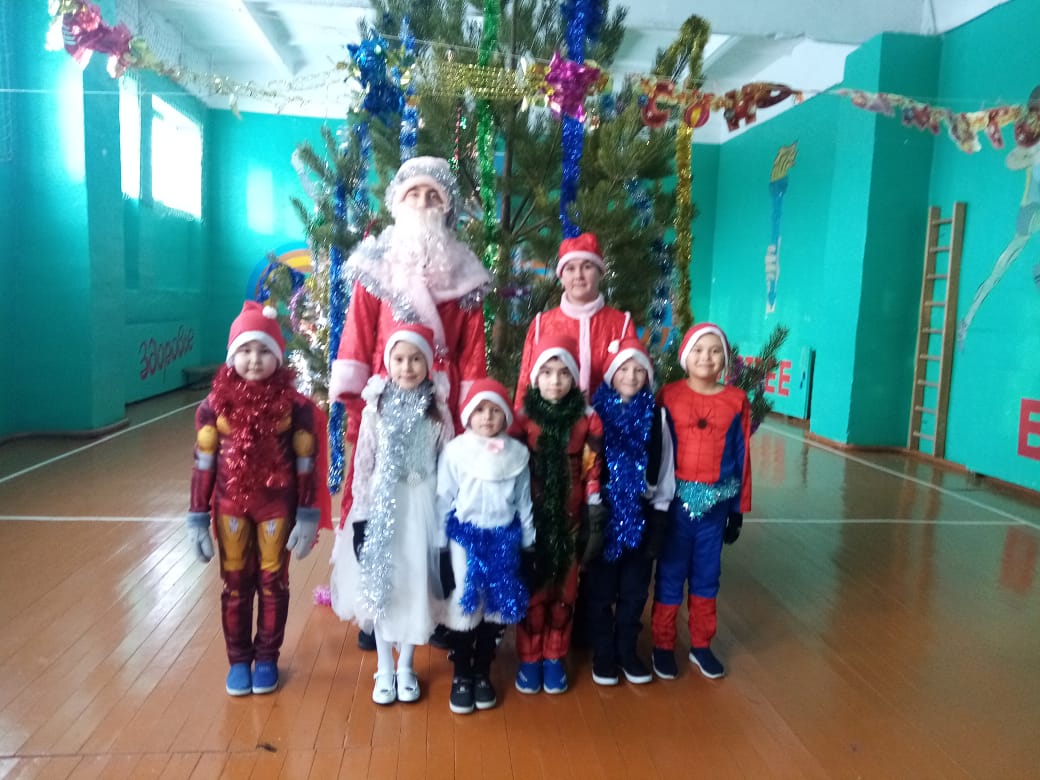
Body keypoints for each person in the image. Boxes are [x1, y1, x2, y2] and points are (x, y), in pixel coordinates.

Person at [330, 156, 490, 652]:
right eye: (414, 195)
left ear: (447, 208)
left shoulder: (465, 275)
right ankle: (373, 605)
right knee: (376, 504)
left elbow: (473, 353)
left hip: (440, 412)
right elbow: (357, 339)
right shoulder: (373, 267)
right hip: (384, 406)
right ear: (398, 203)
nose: (423, 204)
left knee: (432, 510)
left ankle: (432, 605)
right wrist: (357, 407)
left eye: (433, 196)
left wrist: (469, 416)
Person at [186, 301, 331, 696]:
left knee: (273, 583)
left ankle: (267, 657)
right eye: (246, 350)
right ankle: (238, 660)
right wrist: (197, 517)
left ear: (278, 356)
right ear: (232, 355)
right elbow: (203, 464)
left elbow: (307, 465)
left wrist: (307, 514)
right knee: (235, 585)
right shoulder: (213, 407)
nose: (254, 359)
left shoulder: (296, 408)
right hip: (229, 507)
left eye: (264, 350)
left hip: (276, 509)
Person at [329, 323, 453, 705]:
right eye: (399, 359)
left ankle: (406, 666)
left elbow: (447, 462)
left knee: (414, 585)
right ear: (388, 362)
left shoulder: (437, 411)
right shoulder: (376, 409)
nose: (407, 367)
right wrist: (362, 515)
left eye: (416, 359)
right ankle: (384, 666)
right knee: (383, 586)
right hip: (383, 508)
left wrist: (444, 516)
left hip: (421, 510)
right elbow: (364, 464)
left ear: (427, 364)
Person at [651, 323, 751, 680]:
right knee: (670, 572)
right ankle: (663, 644)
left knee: (707, 575)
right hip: (675, 504)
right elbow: (656, 450)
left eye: (714, 350)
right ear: (685, 356)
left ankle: (701, 645)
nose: (706, 357)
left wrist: (737, 510)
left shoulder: (736, 401)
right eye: (698, 350)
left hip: (715, 508)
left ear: (724, 358)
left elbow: (742, 455)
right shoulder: (668, 395)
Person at [510, 334, 605, 695]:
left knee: (565, 595)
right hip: (531, 521)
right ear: (535, 377)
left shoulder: (587, 420)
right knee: (533, 594)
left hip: (571, 522)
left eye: (564, 373)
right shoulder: (522, 420)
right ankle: (530, 657)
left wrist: (593, 508)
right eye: (547, 372)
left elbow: (592, 468)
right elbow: (509, 470)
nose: (555, 381)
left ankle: (554, 656)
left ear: (574, 378)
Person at [436, 379, 535, 714]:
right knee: (466, 606)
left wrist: (529, 545)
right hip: (465, 541)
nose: (488, 417)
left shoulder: (516, 454)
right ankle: (461, 673)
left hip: (503, 541)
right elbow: (443, 500)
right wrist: (440, 549)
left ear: (506, 414)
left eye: (495, 410)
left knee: (496, 607)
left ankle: (482, 670)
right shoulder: (456, 452)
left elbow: (523, 503)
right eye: (480, 410)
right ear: (468, 414)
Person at [584, 338, 676, 686]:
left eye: (640, 370)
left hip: (641, 513)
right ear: (611, 373)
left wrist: (660, 516)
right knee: (600, 591)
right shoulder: (595, 415)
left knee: (635, 591)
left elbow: (665, 468)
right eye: (624, 368)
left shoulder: (657, 417)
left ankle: (627, 650)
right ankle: (603, 653)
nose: (632, 376)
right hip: (604, 514)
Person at [515, 232, 636, 406]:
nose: (578, 275)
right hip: (555, 421)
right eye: (570, 268)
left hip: (610, 421)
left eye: (587, 267)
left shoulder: (621, 324)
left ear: (600, 272)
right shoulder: (542, 324)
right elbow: (525, 387)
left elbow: (635, 385)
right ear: (562, 277)